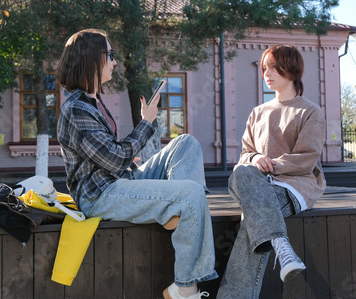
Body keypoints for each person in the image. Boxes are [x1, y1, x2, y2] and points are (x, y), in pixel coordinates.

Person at [56, 29, 217, 299]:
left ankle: (175, 215)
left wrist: (129, 154)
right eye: (110, 55)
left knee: (186, 143)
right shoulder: (76, 108)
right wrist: (146, 123)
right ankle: (185, 288)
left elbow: (112, 158)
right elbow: (115, 158)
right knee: (191, 193)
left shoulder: (92, 101)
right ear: (92, 58)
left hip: (120, 179)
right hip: (99, 195)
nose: (115, 61)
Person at [217, 45, 326, 298]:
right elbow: (245, 155)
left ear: (292, 69)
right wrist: (256, 159)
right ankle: (282, 245)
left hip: (294, 186)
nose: (267, 72)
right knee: (242, 173)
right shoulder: (257, 113)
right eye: (264, 67)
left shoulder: (310, 111)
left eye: (274, 67)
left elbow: (307, 159)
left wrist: (271, 165)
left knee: (252, 222)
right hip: (256, 184)